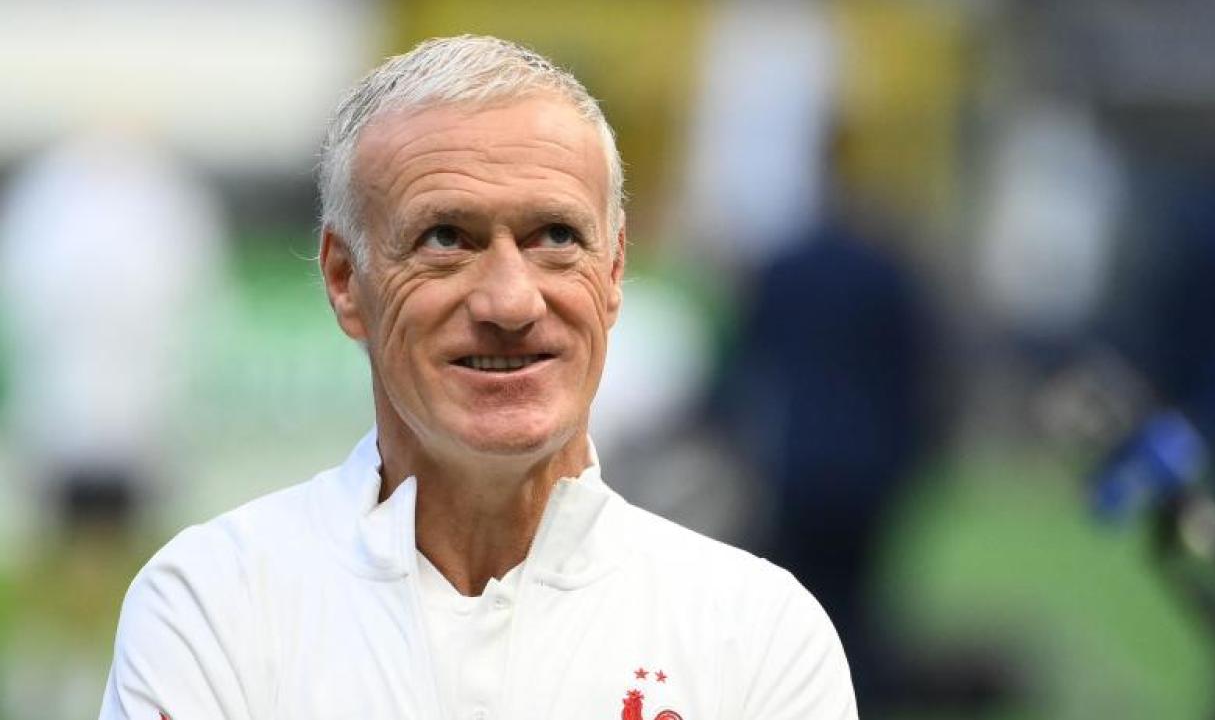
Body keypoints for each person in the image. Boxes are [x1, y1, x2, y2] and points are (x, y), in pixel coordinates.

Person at [98, 35, 857, 720]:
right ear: (344, 278)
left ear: (615, 267)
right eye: (447, 239)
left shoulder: (756, 635)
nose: (510, 302)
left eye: (556, 237)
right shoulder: (215, 604)